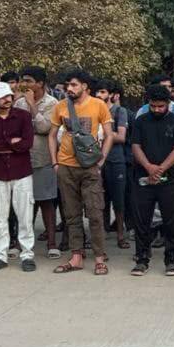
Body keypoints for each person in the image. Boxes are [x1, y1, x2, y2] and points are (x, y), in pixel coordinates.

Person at [49, 68, 114, 275]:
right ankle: (76, 257)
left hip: (89, 167)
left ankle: (99, 258)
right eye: (67, 85)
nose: (69, 88)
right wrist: (55, 163)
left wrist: (101, 161)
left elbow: (109, 135)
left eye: (74, 84)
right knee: (71, 215)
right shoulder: (61, 106)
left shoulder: (98, 104)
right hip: (66, 167)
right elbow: (52, 135)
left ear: (85, 86)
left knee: (95, 214)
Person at [0, 82, 36, 272]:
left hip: (21, 172)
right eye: (2, 97)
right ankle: (0, 255)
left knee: (25, 216)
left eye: (9, 96)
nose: (7, 99)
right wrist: (12, 143)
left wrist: (1, 144)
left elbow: (27, 143)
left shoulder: (23, 116)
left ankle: (27, 255)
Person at [130, 84, 174, 276]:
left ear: (168, 104)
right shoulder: (140, 121)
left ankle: (171, 260)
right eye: (153, 106)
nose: (156, 109)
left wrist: (160, 169)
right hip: (143, 177)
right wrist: (149, 167)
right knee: (141, 221)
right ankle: (141, 260)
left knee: (172, 221)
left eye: (160, 106)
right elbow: (136, 146)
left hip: (170, 178)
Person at [14, 66, 60, 258]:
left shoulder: (53, 103)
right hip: (22, 159)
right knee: (24, 203)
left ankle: (51, 243)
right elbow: (15, 129)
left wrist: (32, 106)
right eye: (23, 80)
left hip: (43, 159)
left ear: (40, 83)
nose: (24, 84)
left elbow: (45, 128)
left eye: (29, 81)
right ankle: (22, 243)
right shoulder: (18, 103)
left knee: (46, 202)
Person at [94, 79, 130, 249]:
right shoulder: (92, 110)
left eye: (102, 92)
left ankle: (121, 235)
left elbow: (121, 137)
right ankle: (100, 234)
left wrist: (103, 134)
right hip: (95, 160)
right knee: (99, 200)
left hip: (116, 160)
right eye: (97, 92)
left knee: (118, 200)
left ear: (112, 94)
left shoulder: (119, 111)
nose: (98, 95)